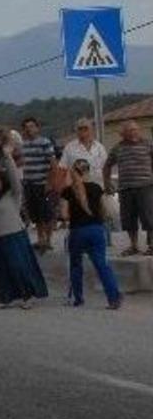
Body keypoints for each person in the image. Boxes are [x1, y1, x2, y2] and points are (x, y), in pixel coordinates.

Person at [0, 133, 48, 309]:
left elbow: (14, 176)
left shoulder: (14, 194)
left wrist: (7, 155)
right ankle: (6, 298)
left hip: (14, 235)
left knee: (19, 266)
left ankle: (27, 296)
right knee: (1, 269)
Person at [61, 158, 123, 309]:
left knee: (76, 265)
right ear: (87, 171)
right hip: (96, 229)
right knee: (102, 264)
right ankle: (114, 298)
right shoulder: (96, 187)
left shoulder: (67, 192)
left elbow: (64, 215)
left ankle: (78, 299)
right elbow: (105, 210)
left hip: (77, 232)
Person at [102, 120, 153, 256]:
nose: (133, 132)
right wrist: (107, 183)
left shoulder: (148, 144)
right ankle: (134, 246)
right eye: (130, 130)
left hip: (145, 187)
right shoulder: (117, 148)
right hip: (125, 188)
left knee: (149, 218)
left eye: (135, 129)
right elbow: (107, 166)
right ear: (122, 133)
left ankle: (152, 245)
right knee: (128, 219)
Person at [20, 116, 57, 253]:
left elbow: (53, 164)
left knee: (46, 213)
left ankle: (48, 240)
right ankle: (40, 239)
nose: (29, 130)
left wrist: (50, 182)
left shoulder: (44, 142)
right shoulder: (23, 145)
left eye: (32, 126)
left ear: (37, 128)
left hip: (42, 183)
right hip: (29, 184)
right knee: (35, 214)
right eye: (26, 127)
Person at [60, 118, 108, 187]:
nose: (83, 130)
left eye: (86, 128)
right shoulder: (69, 147)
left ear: (92, 130)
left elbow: (105, 167)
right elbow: (62, 168)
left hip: (99, 187)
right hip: (77, 187)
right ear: (76, 131)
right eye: (80, 128)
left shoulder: (99, 147)